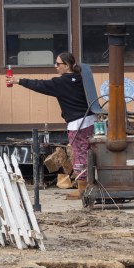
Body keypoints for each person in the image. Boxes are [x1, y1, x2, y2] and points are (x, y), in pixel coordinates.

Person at [7, 52, 94, 198]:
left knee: (79, 155)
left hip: (77, 124)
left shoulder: (61, 82)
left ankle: (83, 189)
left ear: (67, 66)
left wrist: (18, 81)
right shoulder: (81, 78)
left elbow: (40, 85)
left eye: (58, 64)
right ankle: (92, 185)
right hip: (91, 121)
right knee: (90, 153)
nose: (55, 66)